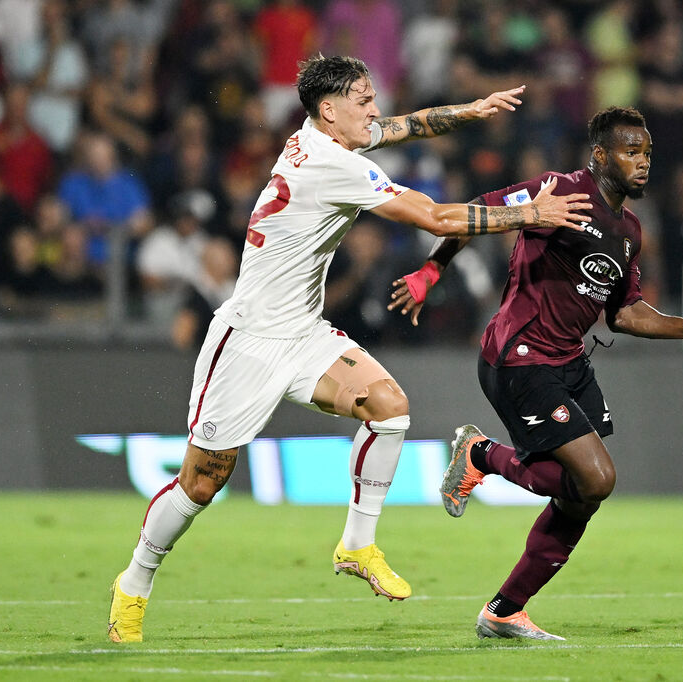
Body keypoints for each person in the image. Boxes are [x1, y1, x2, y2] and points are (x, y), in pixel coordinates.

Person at [106, 54, 592, 643]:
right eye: (363, 100)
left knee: (389, 405)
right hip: (249, 342)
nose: (375, 110)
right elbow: (437, 218)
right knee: (202, 483)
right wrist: (530, 212)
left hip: (304, 333)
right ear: (330, 110)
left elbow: (403, 126)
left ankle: (357, 545)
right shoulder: (331, 166)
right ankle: (133, 583)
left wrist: (468, 110)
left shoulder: (324, 137)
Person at [389, 106, 683, 640]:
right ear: (601, 155)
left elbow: (625, 313)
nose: (643, 162)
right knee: (598, 478)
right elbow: (475, 211)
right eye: (632, 152)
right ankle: (482, 454)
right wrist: (431, 270)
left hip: (567, 362)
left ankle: (505, 610)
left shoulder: (630, 229)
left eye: (648, 153)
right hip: (518, 354)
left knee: (582, 493)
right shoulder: (558, 191)